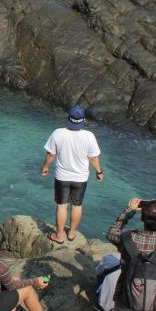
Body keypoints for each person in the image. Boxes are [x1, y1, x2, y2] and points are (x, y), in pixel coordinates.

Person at [41, 105, 103, 244]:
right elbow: (93, 158)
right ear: (83, 120)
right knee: (77, 205)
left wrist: (45, 167)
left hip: (62, 177)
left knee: (62, 205)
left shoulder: (58, 133)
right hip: (80, 179)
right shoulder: (89, 136)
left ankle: (59, 235)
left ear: (69, 118)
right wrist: (99, 172)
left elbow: (51, 154)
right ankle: (72, 233)